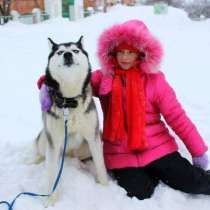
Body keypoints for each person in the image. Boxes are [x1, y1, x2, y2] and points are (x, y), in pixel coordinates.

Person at [37, 20, 210, 200]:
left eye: (130, 52)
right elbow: (76, 78)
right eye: (121, 52)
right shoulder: (104, 76)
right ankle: (150, 175)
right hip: (121, 154)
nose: (125, 57)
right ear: (113, 52)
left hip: (158, 149)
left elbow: (177, 117)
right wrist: (47, 83)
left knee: (194, 182)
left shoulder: (155, 81)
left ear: (142, 53)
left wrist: (197, 150)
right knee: (141, 192)